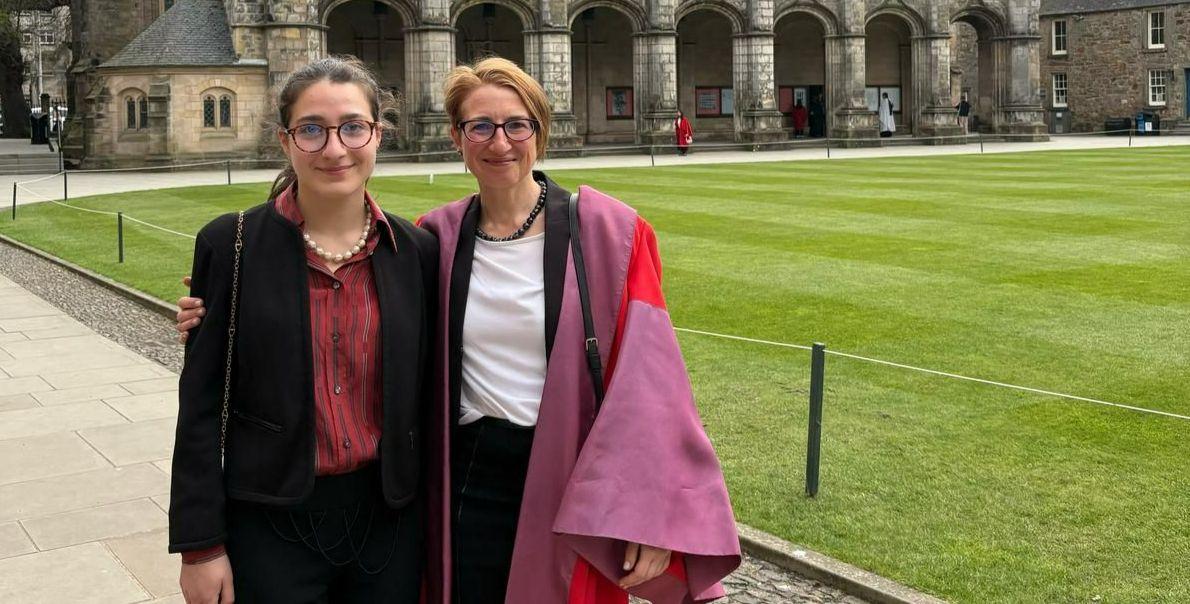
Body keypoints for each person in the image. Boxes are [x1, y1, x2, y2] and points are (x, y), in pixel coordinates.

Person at [178, 57, 740, 604]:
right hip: (453, 480)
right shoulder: (435, 239)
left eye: (517, 124)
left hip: (555, 474)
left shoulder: (601, 231)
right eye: (481, 126)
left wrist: (648, 509)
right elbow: (211, 398)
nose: (500, 142)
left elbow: (652, 381)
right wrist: (221, 314)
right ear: (457, 137)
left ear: (540, 132)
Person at [169, 56, 437, 604]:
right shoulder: (230, 244)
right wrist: (200, 547)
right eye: (311, 129)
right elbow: (199, 406)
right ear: (285, 140)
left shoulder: (416, 252)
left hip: (388, 522)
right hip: (270, 521)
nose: (334, 148)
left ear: (377, 134)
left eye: (352, 127)